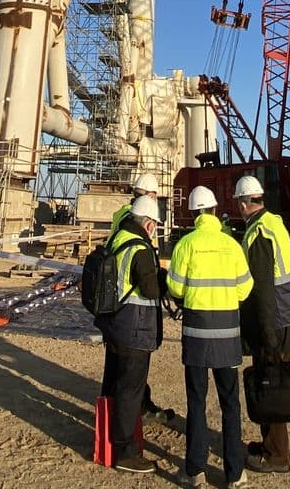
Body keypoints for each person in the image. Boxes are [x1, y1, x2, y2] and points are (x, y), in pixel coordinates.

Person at [166, 185, 253, 489]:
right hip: (228, 335)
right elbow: (245, 288)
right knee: (231, 404)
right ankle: (235, 474)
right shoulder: (231, 245)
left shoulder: (186, 245)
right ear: (216, 210)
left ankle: (194, 470)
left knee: (197, 402)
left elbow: (175, 288)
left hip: (197, 335)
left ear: (193, 213)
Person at [233, 176, 290, 475]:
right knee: (272, 382)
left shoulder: (259, 234)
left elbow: (263, 290)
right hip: (289, 316)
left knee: (272, 385)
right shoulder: (274, 223)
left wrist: (266, 335)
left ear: (242, 203)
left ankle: (277, 455)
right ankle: (269, 445)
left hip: (275, 323)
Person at [99, 195, 166, 473]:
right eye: (154, 226)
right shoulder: (139, 248)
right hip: (134, 328)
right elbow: (151, 290)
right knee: (130, 388)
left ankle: (107, 435)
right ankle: (126, 452)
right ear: (148, 223)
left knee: (114, 382)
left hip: (115, 323)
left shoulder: (118, 238)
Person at [108, 172, 173, 423]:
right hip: (132, 309)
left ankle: (129, 407)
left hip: (117, 303)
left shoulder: (123, 215)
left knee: (120, 368)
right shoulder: (135, 223)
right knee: (129, 371)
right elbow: (147, 283)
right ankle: (126, 425)